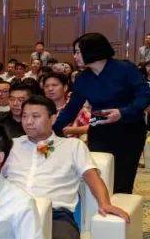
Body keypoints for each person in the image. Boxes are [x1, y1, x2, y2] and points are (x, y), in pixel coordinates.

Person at [3, 95, 130, 239]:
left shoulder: (72, 146)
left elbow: (92, 177)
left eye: (35, 116)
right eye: (24, 116)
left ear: (53, 118)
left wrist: (105, 203)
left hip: (55, 215)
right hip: (12, 210)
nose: (28, 122)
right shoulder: (12, 145)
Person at [54, 32, 150, 194]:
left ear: (93, 51)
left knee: (122, 180)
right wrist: (53, 130)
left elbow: (145, 95)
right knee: (100, 174)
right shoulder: (83, 78)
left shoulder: (125, 69)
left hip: (129, 130)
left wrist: (122, 112)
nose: (74, 57)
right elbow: (72, 108)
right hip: (99, 130)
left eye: (78, 52)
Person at [40, 72, 89, 138]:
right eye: (46, 86)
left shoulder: (77, 109)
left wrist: (75, 130)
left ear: (65, 88)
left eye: (54, 85)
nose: (50, 89)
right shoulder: (40, 109)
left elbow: (95, 127)